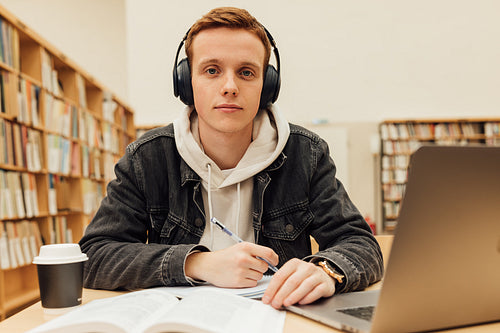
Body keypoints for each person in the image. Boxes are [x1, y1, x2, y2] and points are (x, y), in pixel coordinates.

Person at [79, 7, 383, 310]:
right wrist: (198, 263)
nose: (229, 87)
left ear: (268, 86)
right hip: (179, 321)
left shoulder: (307, 153)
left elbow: (360, 243)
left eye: (246, 72)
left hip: (276, 318)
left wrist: (327, 270)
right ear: (186, 83)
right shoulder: (147, 158)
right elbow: (94, 256)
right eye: (211, 70)